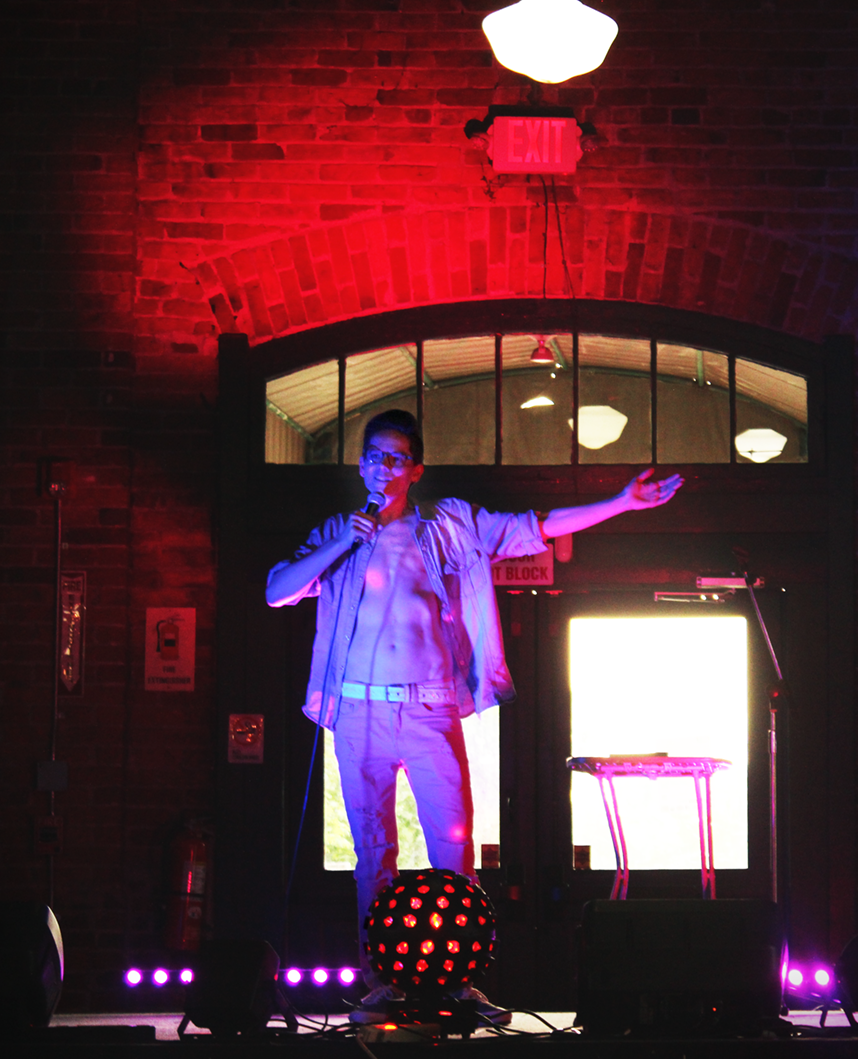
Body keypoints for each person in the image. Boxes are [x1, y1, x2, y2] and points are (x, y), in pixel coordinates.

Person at [266, 409, 682, 1021]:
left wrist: (620, 502)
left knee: (453, 850)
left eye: (397, 457)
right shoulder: (338, 531)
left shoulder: (449, 525)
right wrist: (341, 541)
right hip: (359, 711)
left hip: (432, 708)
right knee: (372, 854)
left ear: (415, 469)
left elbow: (534, 528)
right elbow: (278, 589)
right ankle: (382, 982)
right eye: (375, 455)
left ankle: (456, 981)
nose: (384, 466)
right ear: (360, 464)